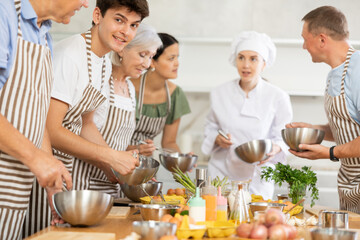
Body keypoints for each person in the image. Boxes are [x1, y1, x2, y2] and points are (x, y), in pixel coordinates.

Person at [22, 0, 149, 237]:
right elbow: (51, 129)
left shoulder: (102, 60)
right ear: (98, 15)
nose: (126, 31)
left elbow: (86, 123)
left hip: (65, 171)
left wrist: (112, 167)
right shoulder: (71, 55)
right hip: (41, 168)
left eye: (133, 25)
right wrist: (111, 156)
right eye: (119, 20)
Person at [0, 0, 88, 239]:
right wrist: (35, 158)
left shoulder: (43, 34)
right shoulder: (4, 13)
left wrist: (52, 181)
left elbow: (35, 115)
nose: (85, 3)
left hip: (15, 188)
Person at [73, 23, 162, 197]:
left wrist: (133, 154)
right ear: (122, 49)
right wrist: (114, 166)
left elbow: (115, 143)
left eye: (150, 57)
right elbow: (83, 128)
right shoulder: (101, 80)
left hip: (114, 184)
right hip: (86, 181)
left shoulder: (129, 87)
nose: (147, 64)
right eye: (142, 54)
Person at [201, 31, 293, 200]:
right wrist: (216, 138)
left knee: (254, 219)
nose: (245, 65)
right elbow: (210, 126)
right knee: (220, 218)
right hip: (222, 172)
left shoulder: (277, 96)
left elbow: (285, 135)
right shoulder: (220, 93)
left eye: (253, 59)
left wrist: (276, 149)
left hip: (258, 175)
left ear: (264, 63)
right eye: (241, 57)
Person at [287, 6, 360, 213]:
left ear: (321, 39)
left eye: (305, 38)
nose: (303, 46)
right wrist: (314, 131)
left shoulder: (359, 70)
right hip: (350, 181)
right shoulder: (334, 74)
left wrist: (329, 153)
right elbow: (349, 125)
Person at [128, 33, 191, 156]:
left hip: (146, 164)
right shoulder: (128, 87)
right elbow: (109, 140)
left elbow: (169, 142)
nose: (177, 63)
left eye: (177, 57)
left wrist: (182, 159)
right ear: (152, 61)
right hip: (117, 158)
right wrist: (136, 149)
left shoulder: (175, 94)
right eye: (171, 58)